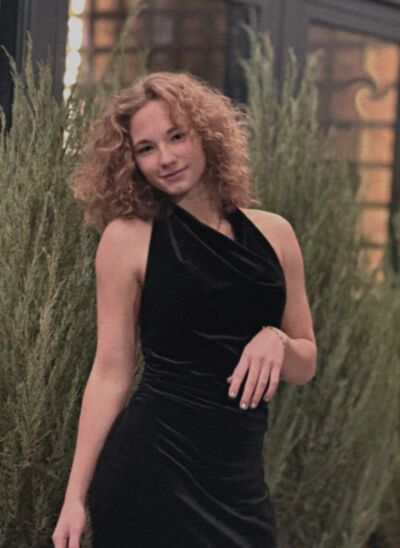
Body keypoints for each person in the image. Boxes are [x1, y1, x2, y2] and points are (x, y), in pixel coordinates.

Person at [52, 71, 317, 548]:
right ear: (131, 161)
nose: (166, 158)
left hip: (239, 482)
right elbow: (110, 372)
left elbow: (305, 364)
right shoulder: (127, 239)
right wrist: (74, 497)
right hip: (152, 470)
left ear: (207, 135)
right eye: (146, 148)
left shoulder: (275, 234)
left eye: (177, 136)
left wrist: (277, 340)